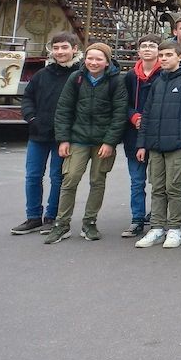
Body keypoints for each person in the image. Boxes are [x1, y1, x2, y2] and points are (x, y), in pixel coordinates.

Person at [44, 43, 129, 244]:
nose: (93, 62)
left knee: (97, 181)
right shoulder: (77, 78)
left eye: (99, 59)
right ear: (85, 59)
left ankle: (89, 222)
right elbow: (64, 110)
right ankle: (62, 224)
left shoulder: (116, 81)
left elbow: (119, 114)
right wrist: (63, 139)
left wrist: (110, 142)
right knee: (70, 179)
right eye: (90, 58)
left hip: (102, 141)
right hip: (78, 139)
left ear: (107, 62)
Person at [134, 42, 181, 249]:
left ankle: (174, 228)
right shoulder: (158, 81)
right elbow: (147, 114)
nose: (163, 58)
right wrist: (142, 144)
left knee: (173, 187)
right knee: (157, 187)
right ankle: (157, 228)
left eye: (168, 55)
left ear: (179, 57)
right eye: (162, 55)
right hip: (155, 145)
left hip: (178, 145)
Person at [13, 33, 80, 236]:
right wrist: (31, 118)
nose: (60, 52)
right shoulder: (42, 74)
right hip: (38, 133)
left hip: (63, 136)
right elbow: (28, 98)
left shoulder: (79, 75)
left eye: (65, 47)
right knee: (33, 176)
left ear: (74, 49)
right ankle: (33, 216)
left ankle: (52, 216)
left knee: (57, 177)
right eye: (56, 48)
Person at [120, 35, 162, 239]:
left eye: (152, 46)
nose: (147, 49)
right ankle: (137, 219)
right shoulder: (129, 77)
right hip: (133, 134)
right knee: (137, 181)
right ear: (138, 51)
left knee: (157, 181)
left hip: (156, 134)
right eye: (143, 46)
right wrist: (134, 116)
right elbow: (123, 102)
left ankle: (156, 217)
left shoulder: (164, 74)